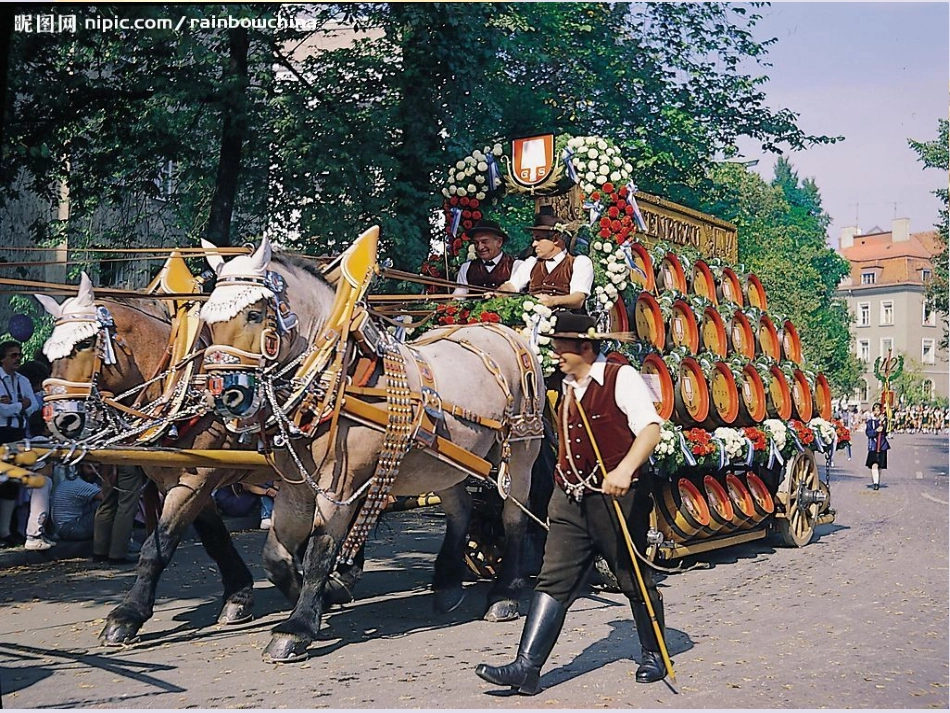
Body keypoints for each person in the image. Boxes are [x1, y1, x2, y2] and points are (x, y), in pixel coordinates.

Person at [475, 312, 666, 696]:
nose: (556, 352)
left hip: (616, 499)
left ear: (584, 346)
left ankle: (654, 653)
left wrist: (625, 470)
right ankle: (526, 668)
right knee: (554, 579)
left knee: (631, 579)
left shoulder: (619, 377)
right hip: (570, 499)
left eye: (562, 345)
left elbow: (651, 428)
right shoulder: (565, 385)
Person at [497, 207, 594, 310]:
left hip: (565, 320)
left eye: (538, 239)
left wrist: (553, 301)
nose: (534, 244)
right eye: (534, 239)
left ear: (555, 239)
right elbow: (512, 286)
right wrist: (498, 293)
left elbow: (578, 300)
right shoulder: (531, 262)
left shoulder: (580, 262)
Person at [0, 340, 41, 548]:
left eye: (19, 354)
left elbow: (33, 405)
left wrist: (13, 405)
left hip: (17, 433)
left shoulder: (23, 380)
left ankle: (6, 532)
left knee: (12, 483)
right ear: (2, 359)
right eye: (13, 355)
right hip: (1, 433)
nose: (18, 358)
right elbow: (2, 411)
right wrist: (20, 405)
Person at [453, 219, 523, 295]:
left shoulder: (517, 266)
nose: (480, 247)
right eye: (476, 243)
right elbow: (458, 297)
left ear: (499, 242)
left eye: (484, 242)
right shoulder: (466, 268)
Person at [93, 463, 146, 563]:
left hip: (107, 456)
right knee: (126, 506)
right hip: (128, 457)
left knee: (107, 503)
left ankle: (100, 552)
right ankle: (117, 554)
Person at [51, 463, 102, 541]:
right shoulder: (81, 485)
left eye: (96, 468)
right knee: (107, 507)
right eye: (89, 468)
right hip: (69, 528)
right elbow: (108, 498)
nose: (94, 471)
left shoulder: (72, 481)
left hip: (63, 527)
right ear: (80, 468)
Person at [865, 401, 890, 491]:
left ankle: (877, 480)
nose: (876, 412)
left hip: (882, 445)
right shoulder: (870, 422)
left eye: (878, 410)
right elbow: (868, 433)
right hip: (873, 446)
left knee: (879, 466)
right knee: (874, 465)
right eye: (875, 410)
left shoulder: (883, 420)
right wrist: (876, 431)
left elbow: (887, 431)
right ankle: (875, 483)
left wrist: (883, 423)